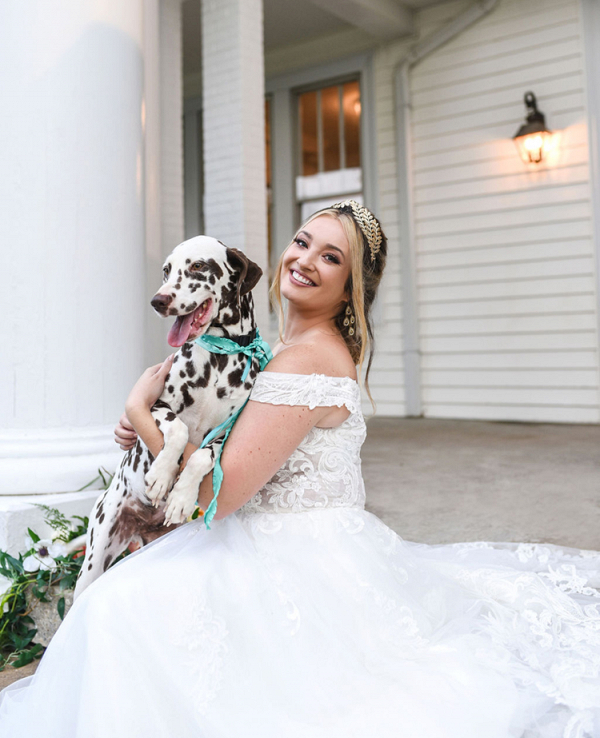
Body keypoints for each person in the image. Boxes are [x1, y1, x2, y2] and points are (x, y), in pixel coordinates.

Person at [1, 200, 599, 738]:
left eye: (330, 256)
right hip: (300, 537)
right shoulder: (282, 352)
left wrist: (140, 409)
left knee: (115, 613)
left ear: (350, 290)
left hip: (286, 552)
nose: (305, 259)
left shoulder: (302, 362)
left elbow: (222, 493)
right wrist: (151, 432)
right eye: (302, 241)